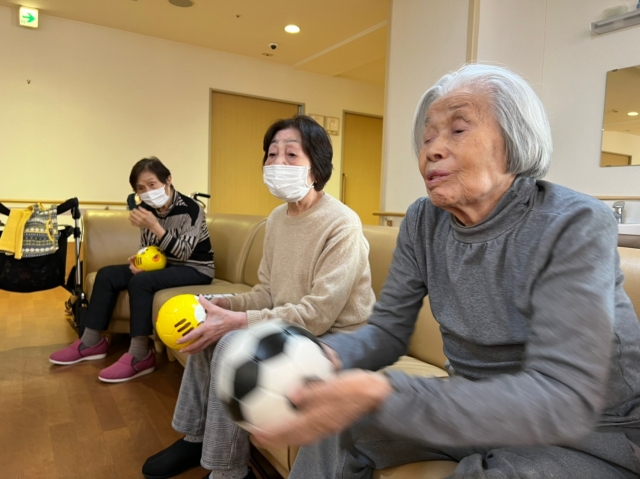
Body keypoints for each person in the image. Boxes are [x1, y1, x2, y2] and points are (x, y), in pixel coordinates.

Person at [252, 65, 640, 479]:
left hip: (587, 431)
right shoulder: (423, 221)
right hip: (471, 409)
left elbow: (560, 393)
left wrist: (386, 390)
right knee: (337, 423)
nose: (432, 150)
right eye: (427, 137)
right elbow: (387, 331)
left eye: (457, 130)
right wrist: (325, 357)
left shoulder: (574, 222)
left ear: (514, 141)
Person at [142, 115, 376, 479]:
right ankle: (195, 437)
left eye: (291, 155)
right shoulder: (278, 219)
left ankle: (229, 471)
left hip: (338, 337)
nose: (278, 163)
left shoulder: (342, 223)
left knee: (230, 340)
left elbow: (317, 315)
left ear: (316, 167)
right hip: (293, 326)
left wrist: (238, 322)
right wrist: (223, 306)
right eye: (272, 154)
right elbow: (267, 291)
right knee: (207, 321)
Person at [49, 157, 215, 383]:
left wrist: (155, 226)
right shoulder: (146, 208)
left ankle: (140, 354)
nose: (147, 192)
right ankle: (91, 341)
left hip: (196, 268)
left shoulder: (192, 209)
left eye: (152, 184)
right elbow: (149, 247)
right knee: (106, 275)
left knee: (141, 282)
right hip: (165, 265)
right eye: (141, 188)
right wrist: (140, 261)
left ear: (168, 180)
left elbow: (184, 252)